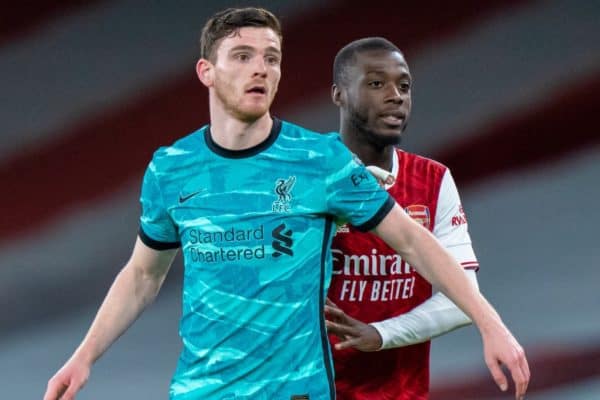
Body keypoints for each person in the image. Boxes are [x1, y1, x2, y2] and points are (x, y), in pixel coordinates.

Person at [44, 8, 528, 400]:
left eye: (271, 58)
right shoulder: (171, 168)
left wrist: (492, 324)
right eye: (243, 56)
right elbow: (143, 275)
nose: (261, 68)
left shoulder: (320, 161)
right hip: (201, 390)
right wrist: (83, 356)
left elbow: (413, 241)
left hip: (297, 392)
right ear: (206, 72)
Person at [324, 37, 519, 399]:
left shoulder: (432, 181)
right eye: (376, 83)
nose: (396, 95)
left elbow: (461, 297)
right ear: (339, 94)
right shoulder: (308, 175)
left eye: (405, 85)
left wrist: (380, 334)